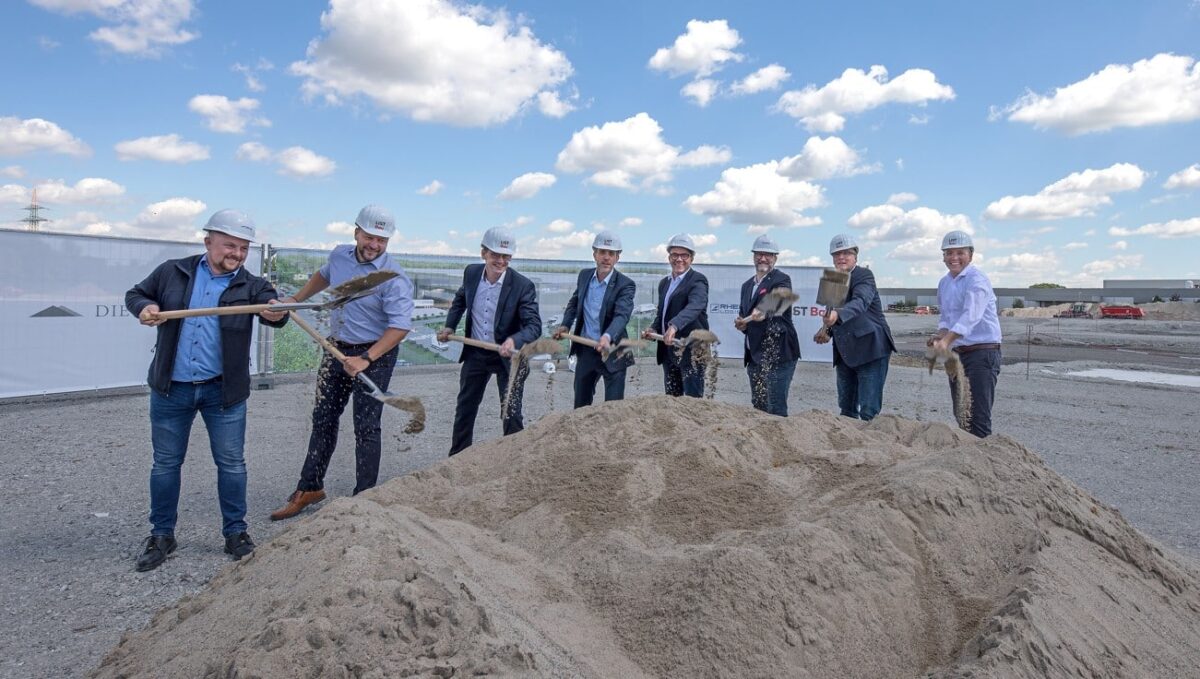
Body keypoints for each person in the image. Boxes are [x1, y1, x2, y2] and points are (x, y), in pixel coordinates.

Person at [125, 209, 288, 572]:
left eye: (243, 248)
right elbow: (136, 294)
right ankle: (162, 535)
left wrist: (276, 312)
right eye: (230, 245)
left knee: (231, 464)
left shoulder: (252, 285)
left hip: (223, 392)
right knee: (166, 464)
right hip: (172, 390)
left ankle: (236, 533)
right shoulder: (173, 271)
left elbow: (274, 311)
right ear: (208, 241)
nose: (237, 254)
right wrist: (146, 306)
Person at [270, 205, 414, 521]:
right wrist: (295, 300)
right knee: (323, 418)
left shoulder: (394, 278)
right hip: (336, 348)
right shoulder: (339, 255)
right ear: (356, 232)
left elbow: (400, 327)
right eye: (369, 236)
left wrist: (366, 358)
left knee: (366, 425)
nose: (374, 244)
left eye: (382, 240)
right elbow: (324, 275)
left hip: (374, 354)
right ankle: (309, 487)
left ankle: (365, 498)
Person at [437, 227, 542, 455]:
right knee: (465, 408)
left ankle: (514, 459)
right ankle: (458, 458)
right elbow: (460, 300)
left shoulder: (523, 286)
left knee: (511, 412)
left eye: (506, 256)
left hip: (510, 357)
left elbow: (534, 326)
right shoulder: (471, 273)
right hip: (476, 353)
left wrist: (514, 340)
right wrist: (450, 326)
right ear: (483, 253)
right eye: (495, 254)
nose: (501, 261)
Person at [813, 234, 896, 420]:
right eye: (837, 254)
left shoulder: (864, 275)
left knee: (868, 411)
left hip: (871, 349)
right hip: (845, 352)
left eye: (846, 253)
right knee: (846, 409)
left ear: (855, 256)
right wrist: (825, 330)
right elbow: (830, 313)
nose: (841, 257)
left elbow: (860, 302)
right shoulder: (833, 279)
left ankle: (871, 438)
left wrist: (837, 315)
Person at [928, 230, 1002, 437]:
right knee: (962, 413)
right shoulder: (944, 283)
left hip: (982, 353)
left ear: (970, 255)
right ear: (943, 256)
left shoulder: (977, 280)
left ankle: (981, 453)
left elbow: (971, 316)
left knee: (977, 416)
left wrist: (947, 341)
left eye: (960, 253)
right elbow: (946, 318)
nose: (954, 258)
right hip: (958, 354)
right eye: (949, 253)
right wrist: (941, 336)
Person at [553, 230, 637, 408]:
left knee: (613, 408)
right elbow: (574, 303)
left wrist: (607, 336)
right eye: (602, 252)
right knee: (581, 405)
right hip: (587, 351)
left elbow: (622, 315)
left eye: (611, 253)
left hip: (613, 351)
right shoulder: (584, 276)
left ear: (617, 258)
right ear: (594, 254)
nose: (606, 257)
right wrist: (565, 325)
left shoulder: (625, 284)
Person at [734, 235, 800, 416]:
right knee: (759, 405)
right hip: (755, 355)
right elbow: (745, 315)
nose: (763, 258)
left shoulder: (781, 279)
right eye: (759, 254)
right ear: (753, 256)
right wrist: (743, 324)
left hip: (778, 354)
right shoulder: (746, 286)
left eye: (768, 255)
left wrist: (764, 309)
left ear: (775, 258)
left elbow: (781, 297)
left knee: (776, 406)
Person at [642, 233, 709, 397]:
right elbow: (662, 313)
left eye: (684, 255)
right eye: (675, 255)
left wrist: (674, 326)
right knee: (672, 401)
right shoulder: (664, 283)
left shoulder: (698, 281)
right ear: (669, 257)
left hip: (692, 350)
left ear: (691, 258)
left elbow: (695, 306)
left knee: (693, 402)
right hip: (669, 351)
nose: (679, 259)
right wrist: (653, 328)